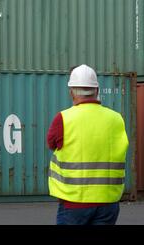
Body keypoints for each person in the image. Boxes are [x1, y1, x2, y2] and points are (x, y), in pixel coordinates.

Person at [47, 64, 129, 225]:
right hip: (108, 203)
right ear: (97, 91)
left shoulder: (63, 119)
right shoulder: (116, 118)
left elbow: (51, 144)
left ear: (71, 91)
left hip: (74, 203)